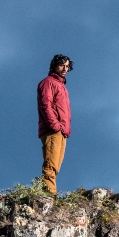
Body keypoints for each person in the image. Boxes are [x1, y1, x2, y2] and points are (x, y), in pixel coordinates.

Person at [36, 54, 72, 195]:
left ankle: (49, 193)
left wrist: (64, 129)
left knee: (55, 166)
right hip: (53, 130)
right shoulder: (48, 82)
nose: (65, 69)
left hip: (62, 131)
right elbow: (46, 105)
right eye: (62, 65)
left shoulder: (62, 86)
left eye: (67, 66)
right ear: (54, 65)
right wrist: (55, 126)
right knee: (50, 165)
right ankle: (48, 195)